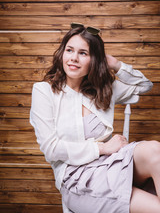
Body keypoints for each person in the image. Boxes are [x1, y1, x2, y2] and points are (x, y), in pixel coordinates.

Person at [30, 23, 160, 213]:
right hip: (77, 177)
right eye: (69, 50)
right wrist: (103, 148)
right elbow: (51, 149)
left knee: (155, 150)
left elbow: (144, 85)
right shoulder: (44, 91)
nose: (74, 58)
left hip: (111, 165)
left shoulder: (103, 90)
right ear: (62, 53)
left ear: (94, 59)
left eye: (83, 53)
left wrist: (115, 64)